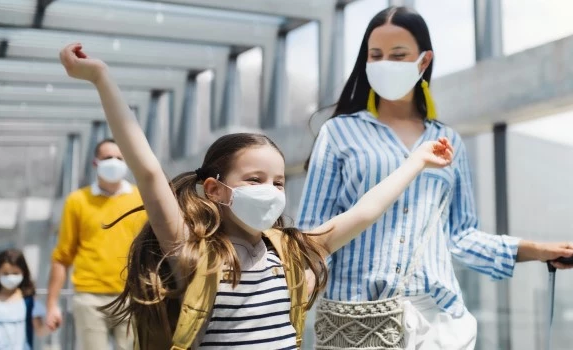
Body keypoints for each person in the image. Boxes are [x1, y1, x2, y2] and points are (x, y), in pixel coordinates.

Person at [56, 42, 455, 349]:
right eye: (254, 179)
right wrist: (100, 78)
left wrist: (416, 161)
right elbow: (146, 169)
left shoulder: (292, 252)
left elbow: (366, 210)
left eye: (278, 182)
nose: (269, 190)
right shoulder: (192, 252)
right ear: (214, 189)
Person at [297, 6, 573, 349]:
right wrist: (299, 286)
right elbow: (311, 232)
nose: (385, 63)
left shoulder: (447, 142)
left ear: (424, 60)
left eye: (398, 55)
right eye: (376, 55)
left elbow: (460, 235)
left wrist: (536, 250)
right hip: (360, 318)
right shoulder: (339, 133)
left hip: (440, 320)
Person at [44, 137, 147, 350]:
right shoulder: (77, 201)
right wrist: (52, 304)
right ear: (95, 163)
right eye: (107, 157)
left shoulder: (141, 199)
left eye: (119, 158)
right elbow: (62, 256)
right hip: (89, 298)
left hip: (132, 297)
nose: (114, 162)